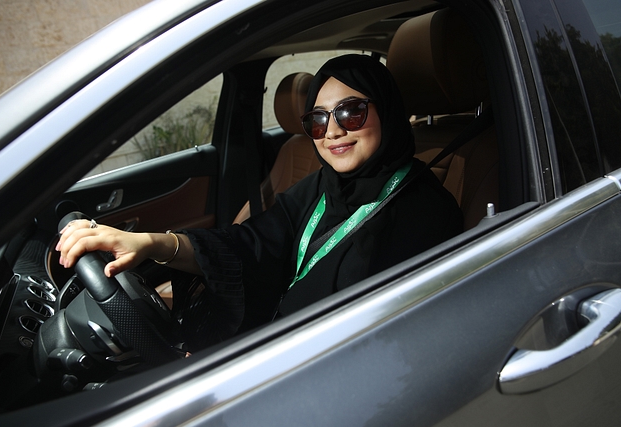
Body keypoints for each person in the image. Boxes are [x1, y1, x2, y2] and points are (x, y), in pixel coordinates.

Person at [57, 54, 463, 351]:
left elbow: (379, 332)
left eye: (351, 112)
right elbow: (250, 244)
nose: (333, 130)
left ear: (387, 110)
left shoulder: (425, 211)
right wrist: (153, 243)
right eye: (317, 120)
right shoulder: (323, 186)